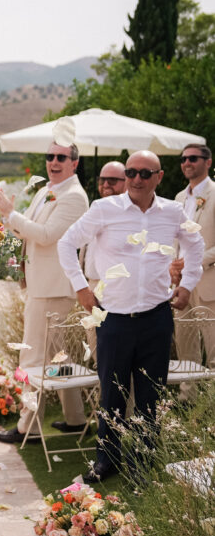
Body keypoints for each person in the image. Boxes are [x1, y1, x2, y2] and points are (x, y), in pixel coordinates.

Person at [58, 151, 204, 482]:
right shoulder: (104, 209)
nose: (137, 179)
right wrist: (81, 287)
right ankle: (107, 460)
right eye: (131, 172)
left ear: (159, 177)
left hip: (156, 317)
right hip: (113, 319)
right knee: (112, 393)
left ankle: (143, 463)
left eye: (145, 173)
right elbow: (66, 243)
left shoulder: (172, 212)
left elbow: (196, 246)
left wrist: (188, 284)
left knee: (151, 395)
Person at [0, 141, 89, 442]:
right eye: (50, 156)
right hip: (41, 285)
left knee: (32, 358)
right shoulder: (46, 190)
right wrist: (7, 217)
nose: (53, 161)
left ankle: (28, 428)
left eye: (61, 157)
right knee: (57, 357)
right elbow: (25, 230)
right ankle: (76, 419)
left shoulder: (74, 197)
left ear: (74, 163)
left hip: (53, 287)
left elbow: (45, 236)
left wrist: (11, 213)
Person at [75, 161, 127, 376]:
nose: (106, 184)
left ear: (127, 182)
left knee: (119, 354)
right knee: (96, 351)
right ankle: (104, 394)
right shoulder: (95, 209)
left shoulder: (130, 213)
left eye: (113, 180)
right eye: (102, 180)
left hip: (117, 289)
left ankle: (124, 397)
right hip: (91, 286)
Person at [171, 144, 215, 384]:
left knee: (213, 347)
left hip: (208, 280)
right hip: (180, 282)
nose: (187, 162)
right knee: (185, 346)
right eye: (183, 159)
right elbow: (174, 238)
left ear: (208, 162)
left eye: (193, 158)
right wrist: (173, 265)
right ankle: (188, 398)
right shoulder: (179, 198)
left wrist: (193, 261)